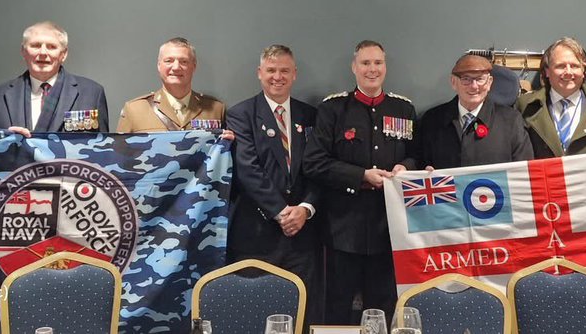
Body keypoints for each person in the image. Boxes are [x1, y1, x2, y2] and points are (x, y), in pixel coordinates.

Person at [303, 40, 415, 325]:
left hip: (389, 231)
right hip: (342, 230)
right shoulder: (333, 109)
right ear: (354, 68)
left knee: (383, 310)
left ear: (385, 67)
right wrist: (361, 176)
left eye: (378, 63)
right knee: (337, 310)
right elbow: (314, 162)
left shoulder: (403, 109)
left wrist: (406, 167)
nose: (372, 69)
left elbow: (417, 155)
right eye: (365, 63)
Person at [225, 44, 322, 324]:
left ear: (294, 75)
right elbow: (248, 170)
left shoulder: (311, 116)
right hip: (256, 235)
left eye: (284, 71)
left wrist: (304, 209)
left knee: (302, 315)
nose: (277, 76)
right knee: (254, 316)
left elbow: (319, 169)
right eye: (271, 70)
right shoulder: (241, 114)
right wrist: (282, 212)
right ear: (259, 73)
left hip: (302, 238)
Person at [0, 21, 109, 135]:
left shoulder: (91, 93)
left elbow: (102, 151)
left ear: (63, 54)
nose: (43, 53)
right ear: (23, 51)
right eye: (36, 45)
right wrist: (5, 144)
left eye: (51, 47)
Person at [410, 54, 532, 169]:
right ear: (453, 82)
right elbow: (418, 162)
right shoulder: (432, 120)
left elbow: (524, 172)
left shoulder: (511, 122)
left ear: (489, 83)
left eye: (480, 79)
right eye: (466, 79)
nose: (474, 86)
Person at [515, 37, 586, 158]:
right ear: (547, 71)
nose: (568, 72)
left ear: (584, 71)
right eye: (561, 66)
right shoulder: (524, 106)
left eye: (575, 66)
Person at [118, 38, 226, 133]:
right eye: (169, 61)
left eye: (183, 61)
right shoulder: (135, 110)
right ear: (159, 65)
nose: (176, 67)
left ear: (194, 66)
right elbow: (120, 154)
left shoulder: (216, 109)